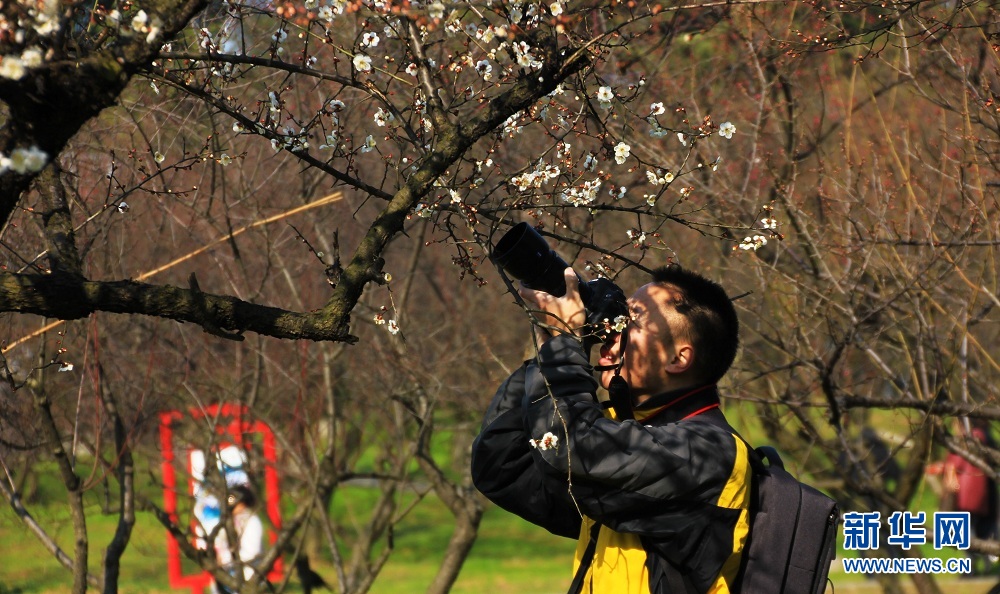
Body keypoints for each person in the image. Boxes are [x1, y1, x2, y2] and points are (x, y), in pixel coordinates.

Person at [471, 264, 751, 593]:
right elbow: (502, 464)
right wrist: (550, 351)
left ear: (678, 358)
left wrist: (564, 343)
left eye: (632, 324)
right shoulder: (630, 445)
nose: (612, 332)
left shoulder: (706, 452)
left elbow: (572, 449)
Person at [213, 484, 265, 593]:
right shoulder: (228, 521)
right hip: (226, 576)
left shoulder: (252, 521)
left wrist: (226, 559)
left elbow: (252, 552)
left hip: (247, 576)